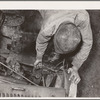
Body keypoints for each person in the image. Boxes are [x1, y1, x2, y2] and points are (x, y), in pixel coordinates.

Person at [34, 10, 93, 84]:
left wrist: (75, 67)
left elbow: (88, 42)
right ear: (54, 34)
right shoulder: (48, 28)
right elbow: (41, 42)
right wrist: (39, 57)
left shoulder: (83, 17)